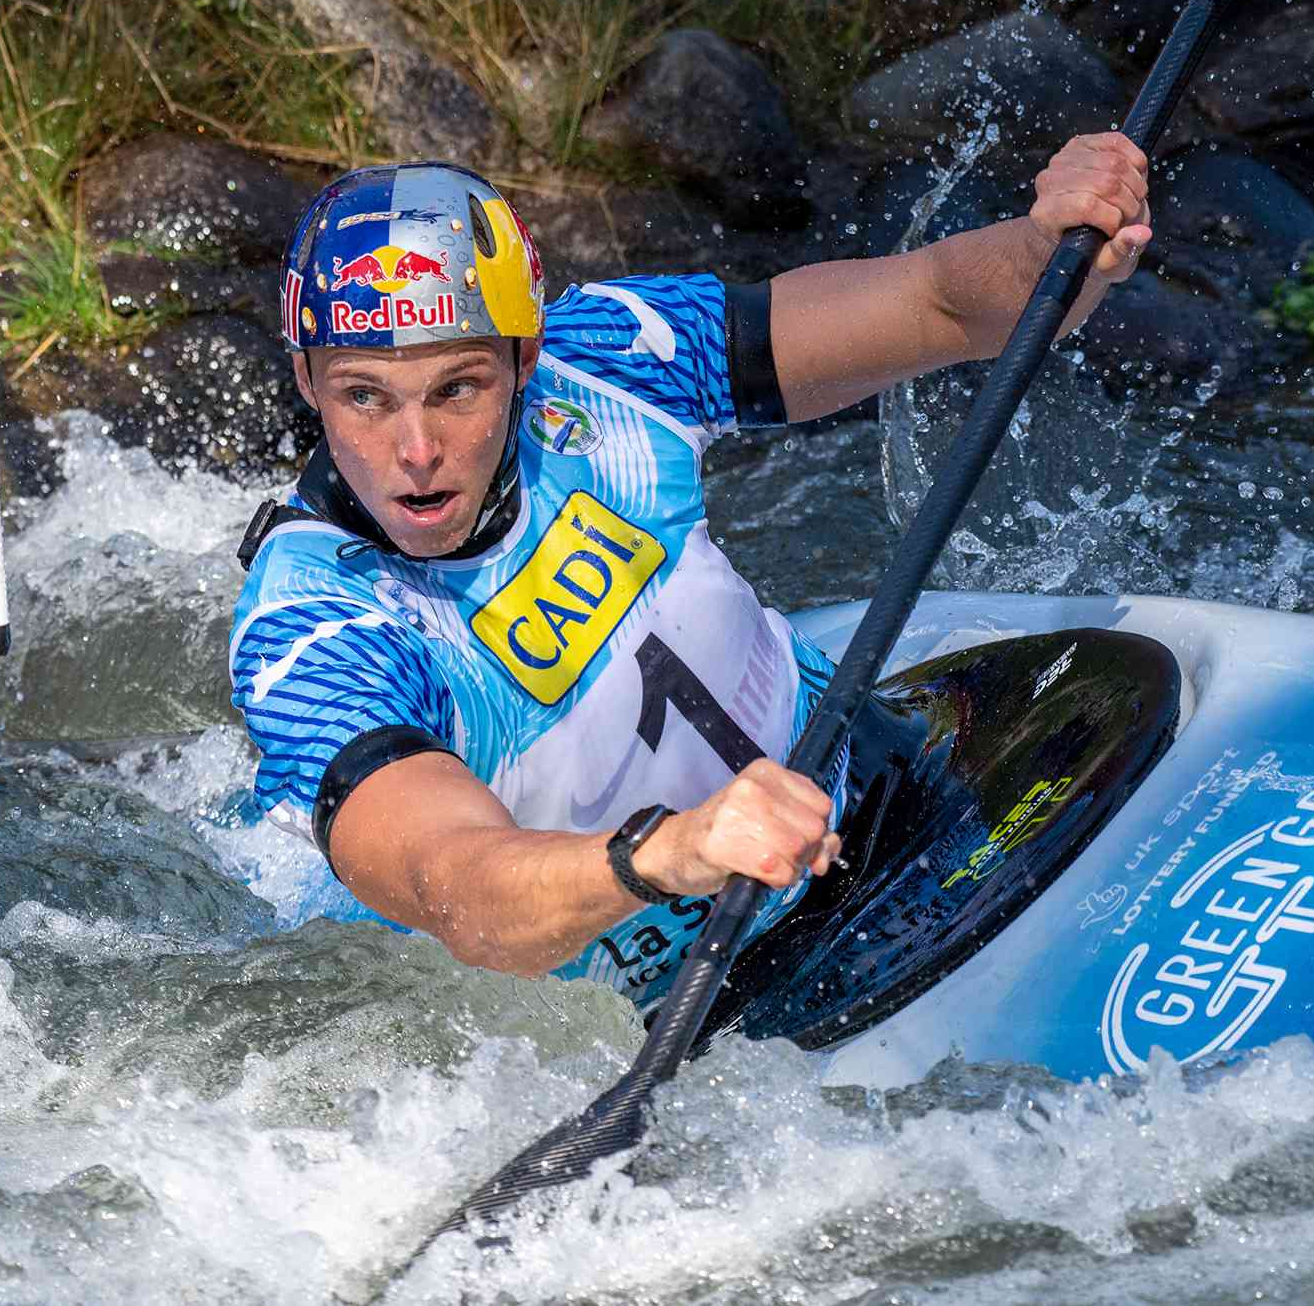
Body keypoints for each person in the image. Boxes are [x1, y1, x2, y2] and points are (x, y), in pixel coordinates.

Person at [229, 136, 1152, 1005]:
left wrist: (1048, 249)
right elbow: (460, 888)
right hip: (664, 995)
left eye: (458, 387)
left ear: (525, 354)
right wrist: (667, 853)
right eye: (363, 397)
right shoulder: (314, 630)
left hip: (871, 790)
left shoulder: (608, 359)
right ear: (308, 381)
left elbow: (941, 304)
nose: (416, 449)